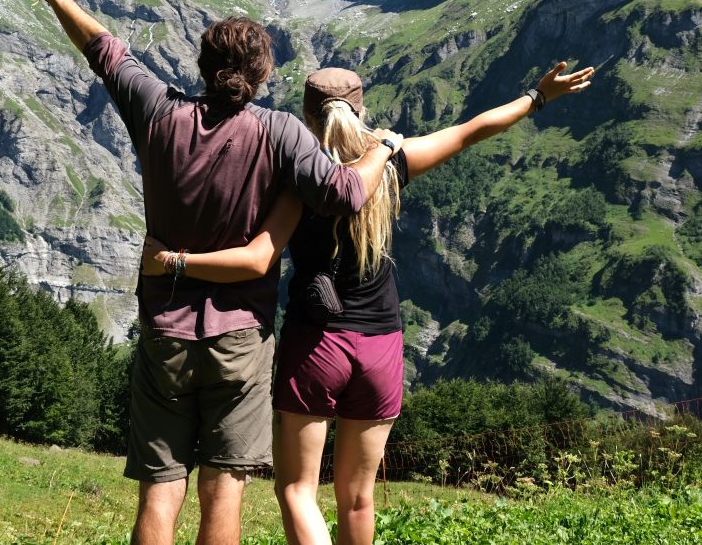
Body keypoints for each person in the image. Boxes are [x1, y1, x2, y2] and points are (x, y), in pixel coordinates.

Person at [29, 0, 402, 545]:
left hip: (165, 329)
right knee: (224, 487)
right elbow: (346, 194)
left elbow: (105, 51)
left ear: (202, 66)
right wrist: (381, 148)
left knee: (160, 488)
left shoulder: (157, 112)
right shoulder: (280, 132)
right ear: (262, 76)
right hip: (240, 338)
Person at [142, 62, 594, 545]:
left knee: (296, 489)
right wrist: (535, 97)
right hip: (381, 345)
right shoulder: (391, 163)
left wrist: (171, 259)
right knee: (359, 498)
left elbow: (257, 252)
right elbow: (469, 131)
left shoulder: (294, 178)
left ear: (307, 117)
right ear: (361, 110)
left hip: (316, 344)